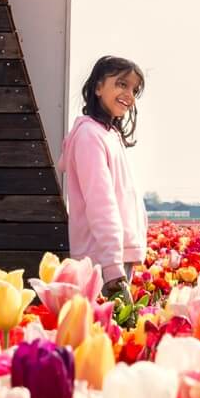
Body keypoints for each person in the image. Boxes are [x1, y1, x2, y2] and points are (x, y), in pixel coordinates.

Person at [58, 56, 148, 304]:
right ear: (98, 87)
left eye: (134, 89)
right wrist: (112, 267)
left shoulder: (109, 135)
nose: (129, 94)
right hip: (102, 262)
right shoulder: (89, 136)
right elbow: (101, 205)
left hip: (114, 257)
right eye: (121, 84)